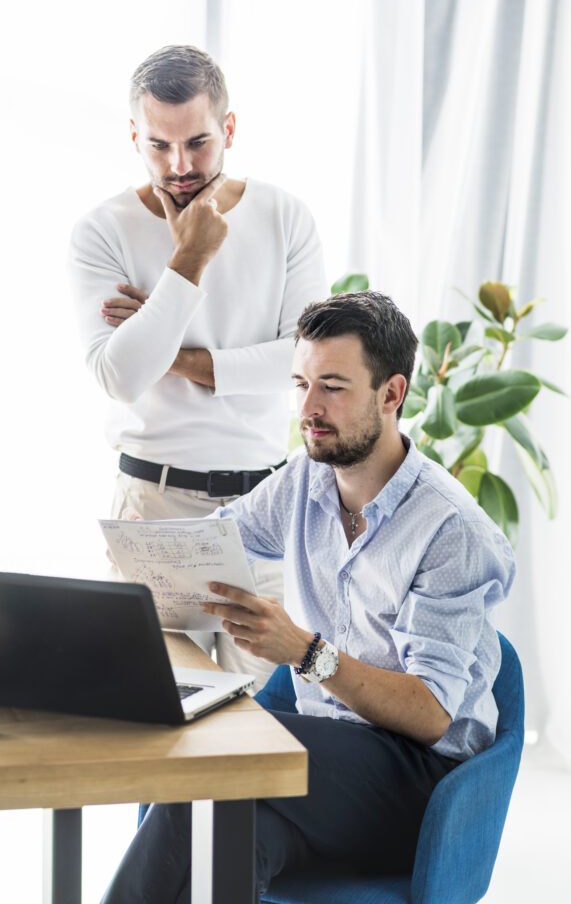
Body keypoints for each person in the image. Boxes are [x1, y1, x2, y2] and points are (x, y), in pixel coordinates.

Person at [100, 290, 516, 903]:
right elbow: (216, 542)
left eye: (332, 387)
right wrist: (147, 553)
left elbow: (432, 715)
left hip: (421, 785)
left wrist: (304, 651)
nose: (308, 408)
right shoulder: (305, 479)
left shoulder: (451, 530)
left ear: (392, 394)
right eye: (300, 384)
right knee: (227, 841)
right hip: (327, 763)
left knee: (213, 762)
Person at [68, 45, 327, 682]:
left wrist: (165, 349)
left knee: (262, 723)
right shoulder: (102, 230)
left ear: (229, 129)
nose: (179, 166)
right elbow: (121, 377)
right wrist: (190, 259)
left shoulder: (286, 217)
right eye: (159, 145)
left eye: (198, 143)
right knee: (159, 715)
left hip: (262, 510)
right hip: (154, 507)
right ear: (135, 136)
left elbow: (303, 363)